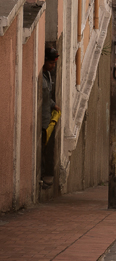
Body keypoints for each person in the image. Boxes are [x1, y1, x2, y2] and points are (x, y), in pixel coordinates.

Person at [41, 47, 60, 186]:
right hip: (41, 122)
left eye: (54, 64)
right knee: (41, 152)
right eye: (51, 63)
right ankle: (40, 178)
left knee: (44, 150)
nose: (53, 66)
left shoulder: (47, 75)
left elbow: (47, 96)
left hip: (46, 121)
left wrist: (53, 105)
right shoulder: (41, 77)